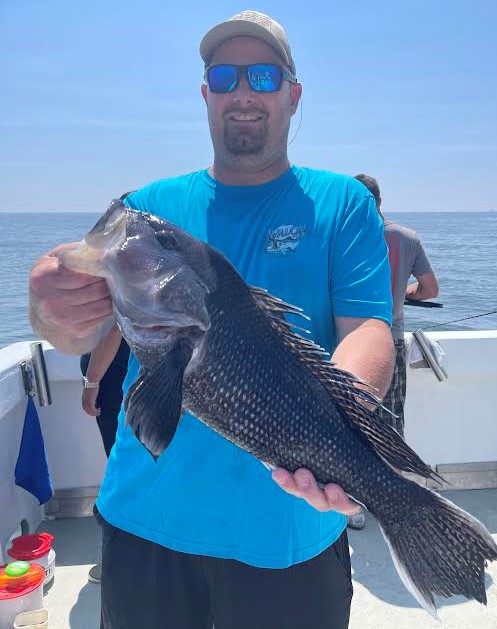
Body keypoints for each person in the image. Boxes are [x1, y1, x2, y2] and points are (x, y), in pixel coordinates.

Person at [29, 11, 394, 629]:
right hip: (145, 520)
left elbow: (367, 326)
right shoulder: (146, 209)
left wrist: (340, 427)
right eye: (226, 77)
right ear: (206, 95)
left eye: (264, 76)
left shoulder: (343, 202)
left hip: (292, 525)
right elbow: (74, 331)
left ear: (293, 95)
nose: (244, 92)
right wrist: (47, 308)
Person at [355, 173, 439, 438]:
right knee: (390, 423)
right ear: (380, 200)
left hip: (348, 341)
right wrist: (402, 292)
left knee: (351, 423)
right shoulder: (407, 237)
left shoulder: (344, 236)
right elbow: (430, 290)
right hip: (390, 341)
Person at [79, 323, 129, 583]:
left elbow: (113, 328)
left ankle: (121, 560)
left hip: (114, 380)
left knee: (121, 471)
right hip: (130, 379)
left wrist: (91, 382)